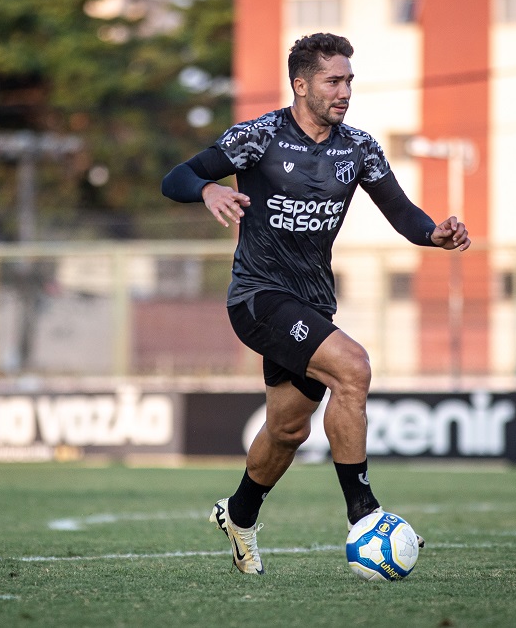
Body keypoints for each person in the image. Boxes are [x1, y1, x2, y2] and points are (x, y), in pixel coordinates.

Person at [161, 32, 470, 575]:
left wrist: (433, 234)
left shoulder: (359, 148)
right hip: (258, 297)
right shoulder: (257, 138)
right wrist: (208, 189)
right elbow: (177, 177)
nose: (345, 90)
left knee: (288, 430)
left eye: (349, 79)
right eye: (334, 79)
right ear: (300, 84)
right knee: (353, 369)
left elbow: (401, 212)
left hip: (312, 305)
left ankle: (239, 513)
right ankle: (364, 512)